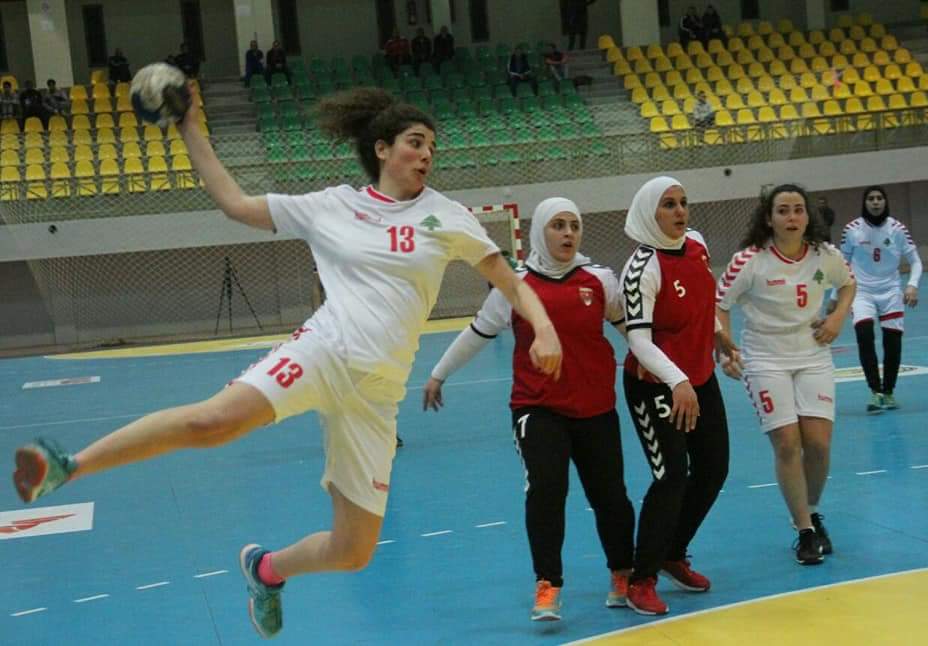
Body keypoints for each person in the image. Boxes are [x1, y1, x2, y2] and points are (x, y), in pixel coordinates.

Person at [11, 86, 562, 639]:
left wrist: (541, 327)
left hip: (377, 392)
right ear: (381, 149)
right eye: (415, 143)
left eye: (431, 148)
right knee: (213, 422)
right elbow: (234, 203)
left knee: (352, 551)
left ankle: (267, 571)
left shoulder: (447, 217)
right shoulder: (331, 206)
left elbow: (511, 282)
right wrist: (191, 128)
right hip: (322, 351)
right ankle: (68, 465)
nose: (426, 155)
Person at [423, 198, 635, 622]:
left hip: (596, 408)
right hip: (537, 408)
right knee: (546, 489)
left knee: (610, 494)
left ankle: (622, 573)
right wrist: (438, 374)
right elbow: (477, 332)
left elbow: (633, 331)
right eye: (558, 225)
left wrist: (665, 366)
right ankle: (548, 585)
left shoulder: (599, 280)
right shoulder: (514, 288)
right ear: (540, 230)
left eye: (574, 225)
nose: (568, 234)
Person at [716, 184, 856, 565]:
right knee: (787, 442)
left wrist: (838, 317)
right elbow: (720, 305)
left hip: (813, 355)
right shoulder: (749, 260)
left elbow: (847, 285)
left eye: (798, 210)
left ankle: (811, 510)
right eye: (783, 210)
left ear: (807, 216)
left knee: (819, 445)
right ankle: (805, 530)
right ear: (769, 218)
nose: (791, 217)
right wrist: (725, 347)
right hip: (764, 359)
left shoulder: (825, 256)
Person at [619, 177, 733, 615]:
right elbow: (639, 341)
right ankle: (641, 577)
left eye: (684, 202)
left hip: (699, 378)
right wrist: (677, 381)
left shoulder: (697, 245)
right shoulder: (642, 268)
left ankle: (673, 552)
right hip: (655, 387)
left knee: (714, 468)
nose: (680, 211)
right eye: (669, 205)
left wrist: (720, 337)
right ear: (650, 212)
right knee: (671, 478)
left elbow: (703, 304)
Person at [835, 186, 922, 413]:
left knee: (892, 341)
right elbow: (841, 265)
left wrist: (912, 285)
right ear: (865, 203)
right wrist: (835, 296)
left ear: (885, 202)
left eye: (879, 198)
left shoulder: (897, 229)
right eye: (871, 199)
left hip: (891, 291)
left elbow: (916, 261)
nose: (875, 202)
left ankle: (889, 392)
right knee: (864, 335)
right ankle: (875, 392)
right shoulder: (852, 230)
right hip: (861, 291)